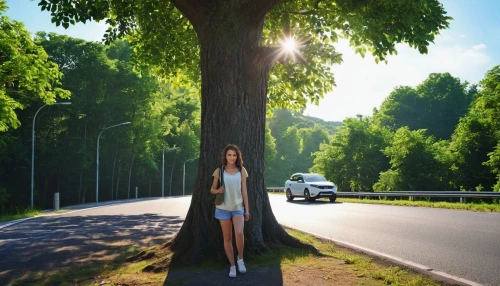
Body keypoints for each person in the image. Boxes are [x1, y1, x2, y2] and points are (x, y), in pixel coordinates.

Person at [210, 144, 250, 278]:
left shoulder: (241, 170)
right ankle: (232, 266)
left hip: (238, 208)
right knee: (227, 237)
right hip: (222, 209)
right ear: (225, 156)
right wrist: (218, 190)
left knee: (239, 232)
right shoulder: (219, 171)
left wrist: (247, 210)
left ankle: (240, 259)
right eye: (229, 155)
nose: (232, 157)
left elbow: (244, 191)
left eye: (234, 155)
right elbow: (212, 189)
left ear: (237, 156)